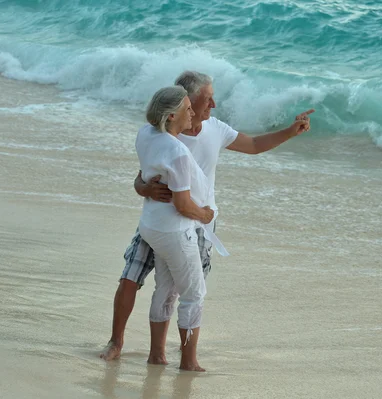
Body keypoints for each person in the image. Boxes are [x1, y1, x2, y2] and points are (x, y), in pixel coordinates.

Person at [101, 71, 313, 361]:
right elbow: (142, 176)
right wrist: (143, 188)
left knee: (178, 288)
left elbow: (252, 146)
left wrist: (290, 131)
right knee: (131, 278)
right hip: (164, 220)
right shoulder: (165, 134)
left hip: (198, 224)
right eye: (206, 98)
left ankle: (172, 352)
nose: (213, 104)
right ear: (186, 102)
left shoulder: (215, 129)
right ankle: (117, 343)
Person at [136, 85, 216, 371]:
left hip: (152, 225)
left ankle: (157, 355)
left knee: (166, 289)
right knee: (194, 294)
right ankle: (189, 361)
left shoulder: (146, 134)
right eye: (187, 109)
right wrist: (205, 215)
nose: (193, 112)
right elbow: (183, 204)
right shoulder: (178, 151)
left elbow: (143, 176)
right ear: (171, 116)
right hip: (174, 231)